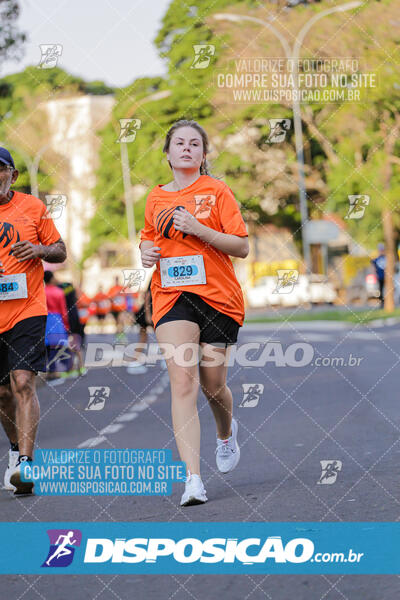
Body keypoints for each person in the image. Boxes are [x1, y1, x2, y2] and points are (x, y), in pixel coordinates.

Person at [139, 120, 249, 506]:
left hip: (218, 298)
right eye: (179, 143)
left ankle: (225, 432)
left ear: (203, 155)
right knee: (183, 381)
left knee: (212, 384)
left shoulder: (217, 191)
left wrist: (200, 228)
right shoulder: (155, 198)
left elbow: (241, 246)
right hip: (172, 297)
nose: (186, 148)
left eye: (195, 144)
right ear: (167, 153)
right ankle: (193, 480)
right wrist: (145, 253)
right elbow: (149, 240)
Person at [0, 147, 66, 495]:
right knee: (1, 394)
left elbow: (60, 249)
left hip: (27, 308)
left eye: (0, 169)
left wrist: (39, 250)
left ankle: (26, 463)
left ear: (13, 175)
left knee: (23, 382)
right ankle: (14, 450)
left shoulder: (32, 207)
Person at [44, 271, 70, 379]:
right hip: (57, 320)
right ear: (52, 278)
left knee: (48, 346)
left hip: (45, 320)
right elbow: (63, 310)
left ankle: (51, 369)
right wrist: (66, 324)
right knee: (58, 345)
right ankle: (57, 369)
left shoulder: (41, 292)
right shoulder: (59, 292)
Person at [371, 243, 386, 309]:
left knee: (387, 290)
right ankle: (382, 303)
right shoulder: (376, 259)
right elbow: (373, 268)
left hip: (387, 277)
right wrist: (375, 274)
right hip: (380, 277)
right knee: (381, 290)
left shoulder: (386, 258)